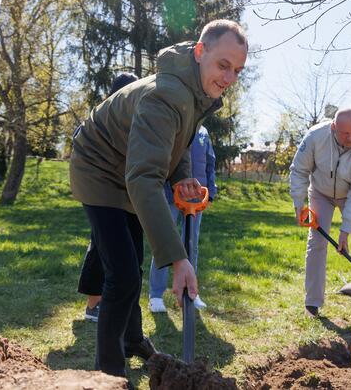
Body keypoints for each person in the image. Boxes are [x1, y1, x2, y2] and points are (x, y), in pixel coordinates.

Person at [70, 20, 248, 379]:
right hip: (99, 169)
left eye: (237, 70)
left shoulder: (194, 90)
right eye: (223, 65)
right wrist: (178, 260)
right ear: (200, 52)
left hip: (127, 169)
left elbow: (176, 141)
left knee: (131, 266)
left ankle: (133, 339)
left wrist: (182, 177)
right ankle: (108, 373)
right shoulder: (168, 95)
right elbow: (144, 179)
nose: (229, 78)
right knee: (120, 275)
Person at [289, 109, 351, 318]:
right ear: (334, 128)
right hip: (320, 192)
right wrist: (298, 204)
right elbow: (299, 170)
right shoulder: (316, 136)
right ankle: (312, 303)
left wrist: (345, 230)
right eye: (345, 133)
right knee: (316, 243)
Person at [77, 72, 139, 322]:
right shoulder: (103, 117)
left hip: (128, 193)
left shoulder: (133, 117)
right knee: (100, 248)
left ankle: (119, 309)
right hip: (103, 192)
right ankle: (93, 305)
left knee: (124, 252)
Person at [148, 125, 217, 313]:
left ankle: (190, 293)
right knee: (165, 244)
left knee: (191, 244)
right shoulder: (176, 127)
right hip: (171, 195)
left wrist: (211, 190)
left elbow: (210, 162)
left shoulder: (203, 132)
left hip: (197, 197)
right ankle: (156, 295)